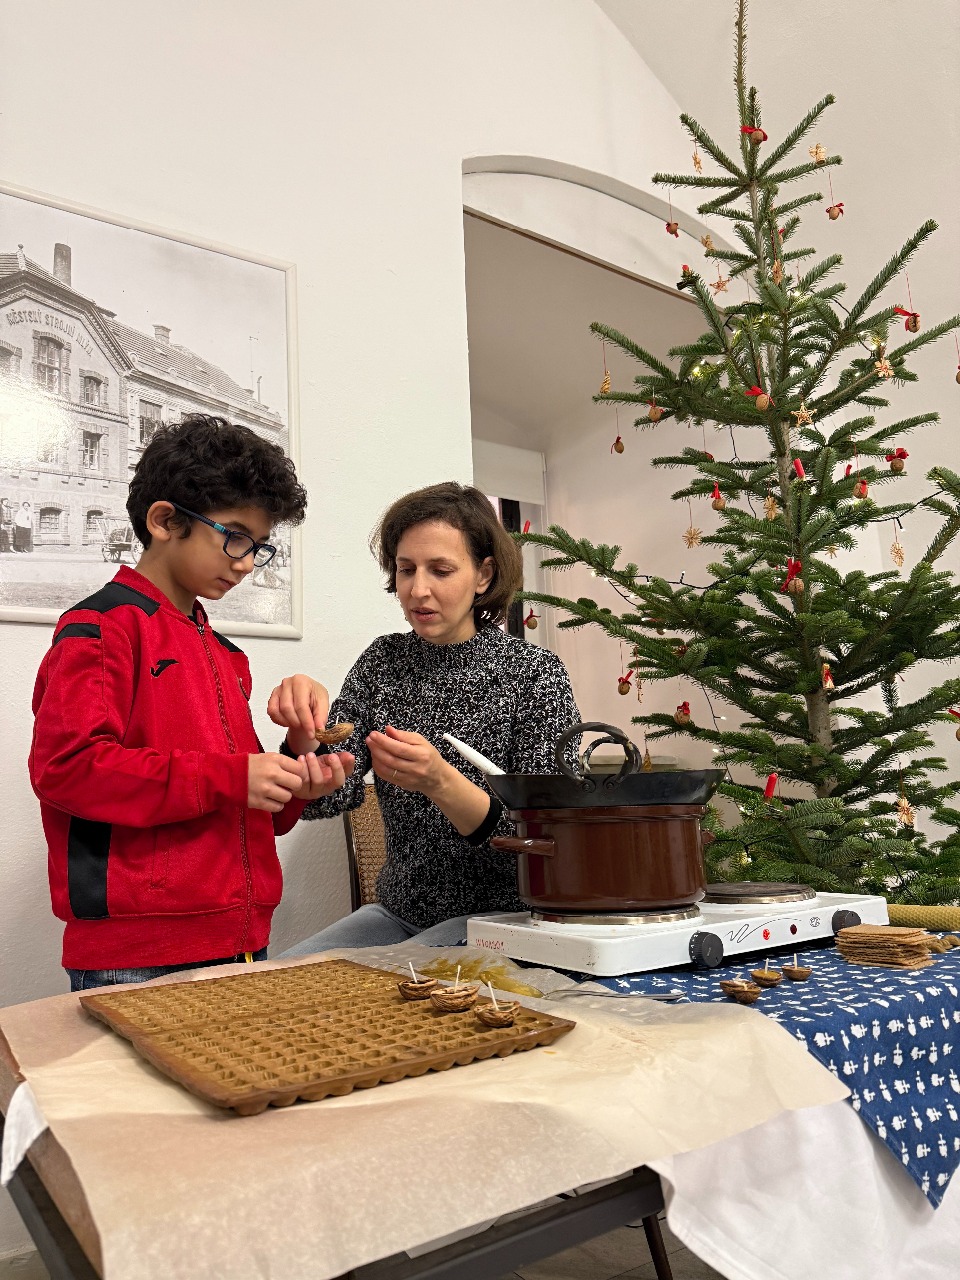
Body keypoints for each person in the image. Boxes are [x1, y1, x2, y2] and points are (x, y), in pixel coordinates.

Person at [29, 415, 354, 991]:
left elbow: (253, 811)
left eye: (259, 547)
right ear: (164, 520)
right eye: (235, 536)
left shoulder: (225, 655)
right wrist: (233, 778)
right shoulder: (102, 628)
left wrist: (295, 765)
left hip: (241, 938)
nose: (246, 562)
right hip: (137, 954)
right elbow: (66, 769)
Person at [282, 481, 580, 955]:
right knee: (281, 976)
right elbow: (328, 797)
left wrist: (441, 782)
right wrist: (304, 738)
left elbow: (548, 841)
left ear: (483, 575)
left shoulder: (533, 674)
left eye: (440, 570)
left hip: (508, 919)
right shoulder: (383, 661)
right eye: (406, 569)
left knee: (390, 983)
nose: (417, 590)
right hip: (398, 913)